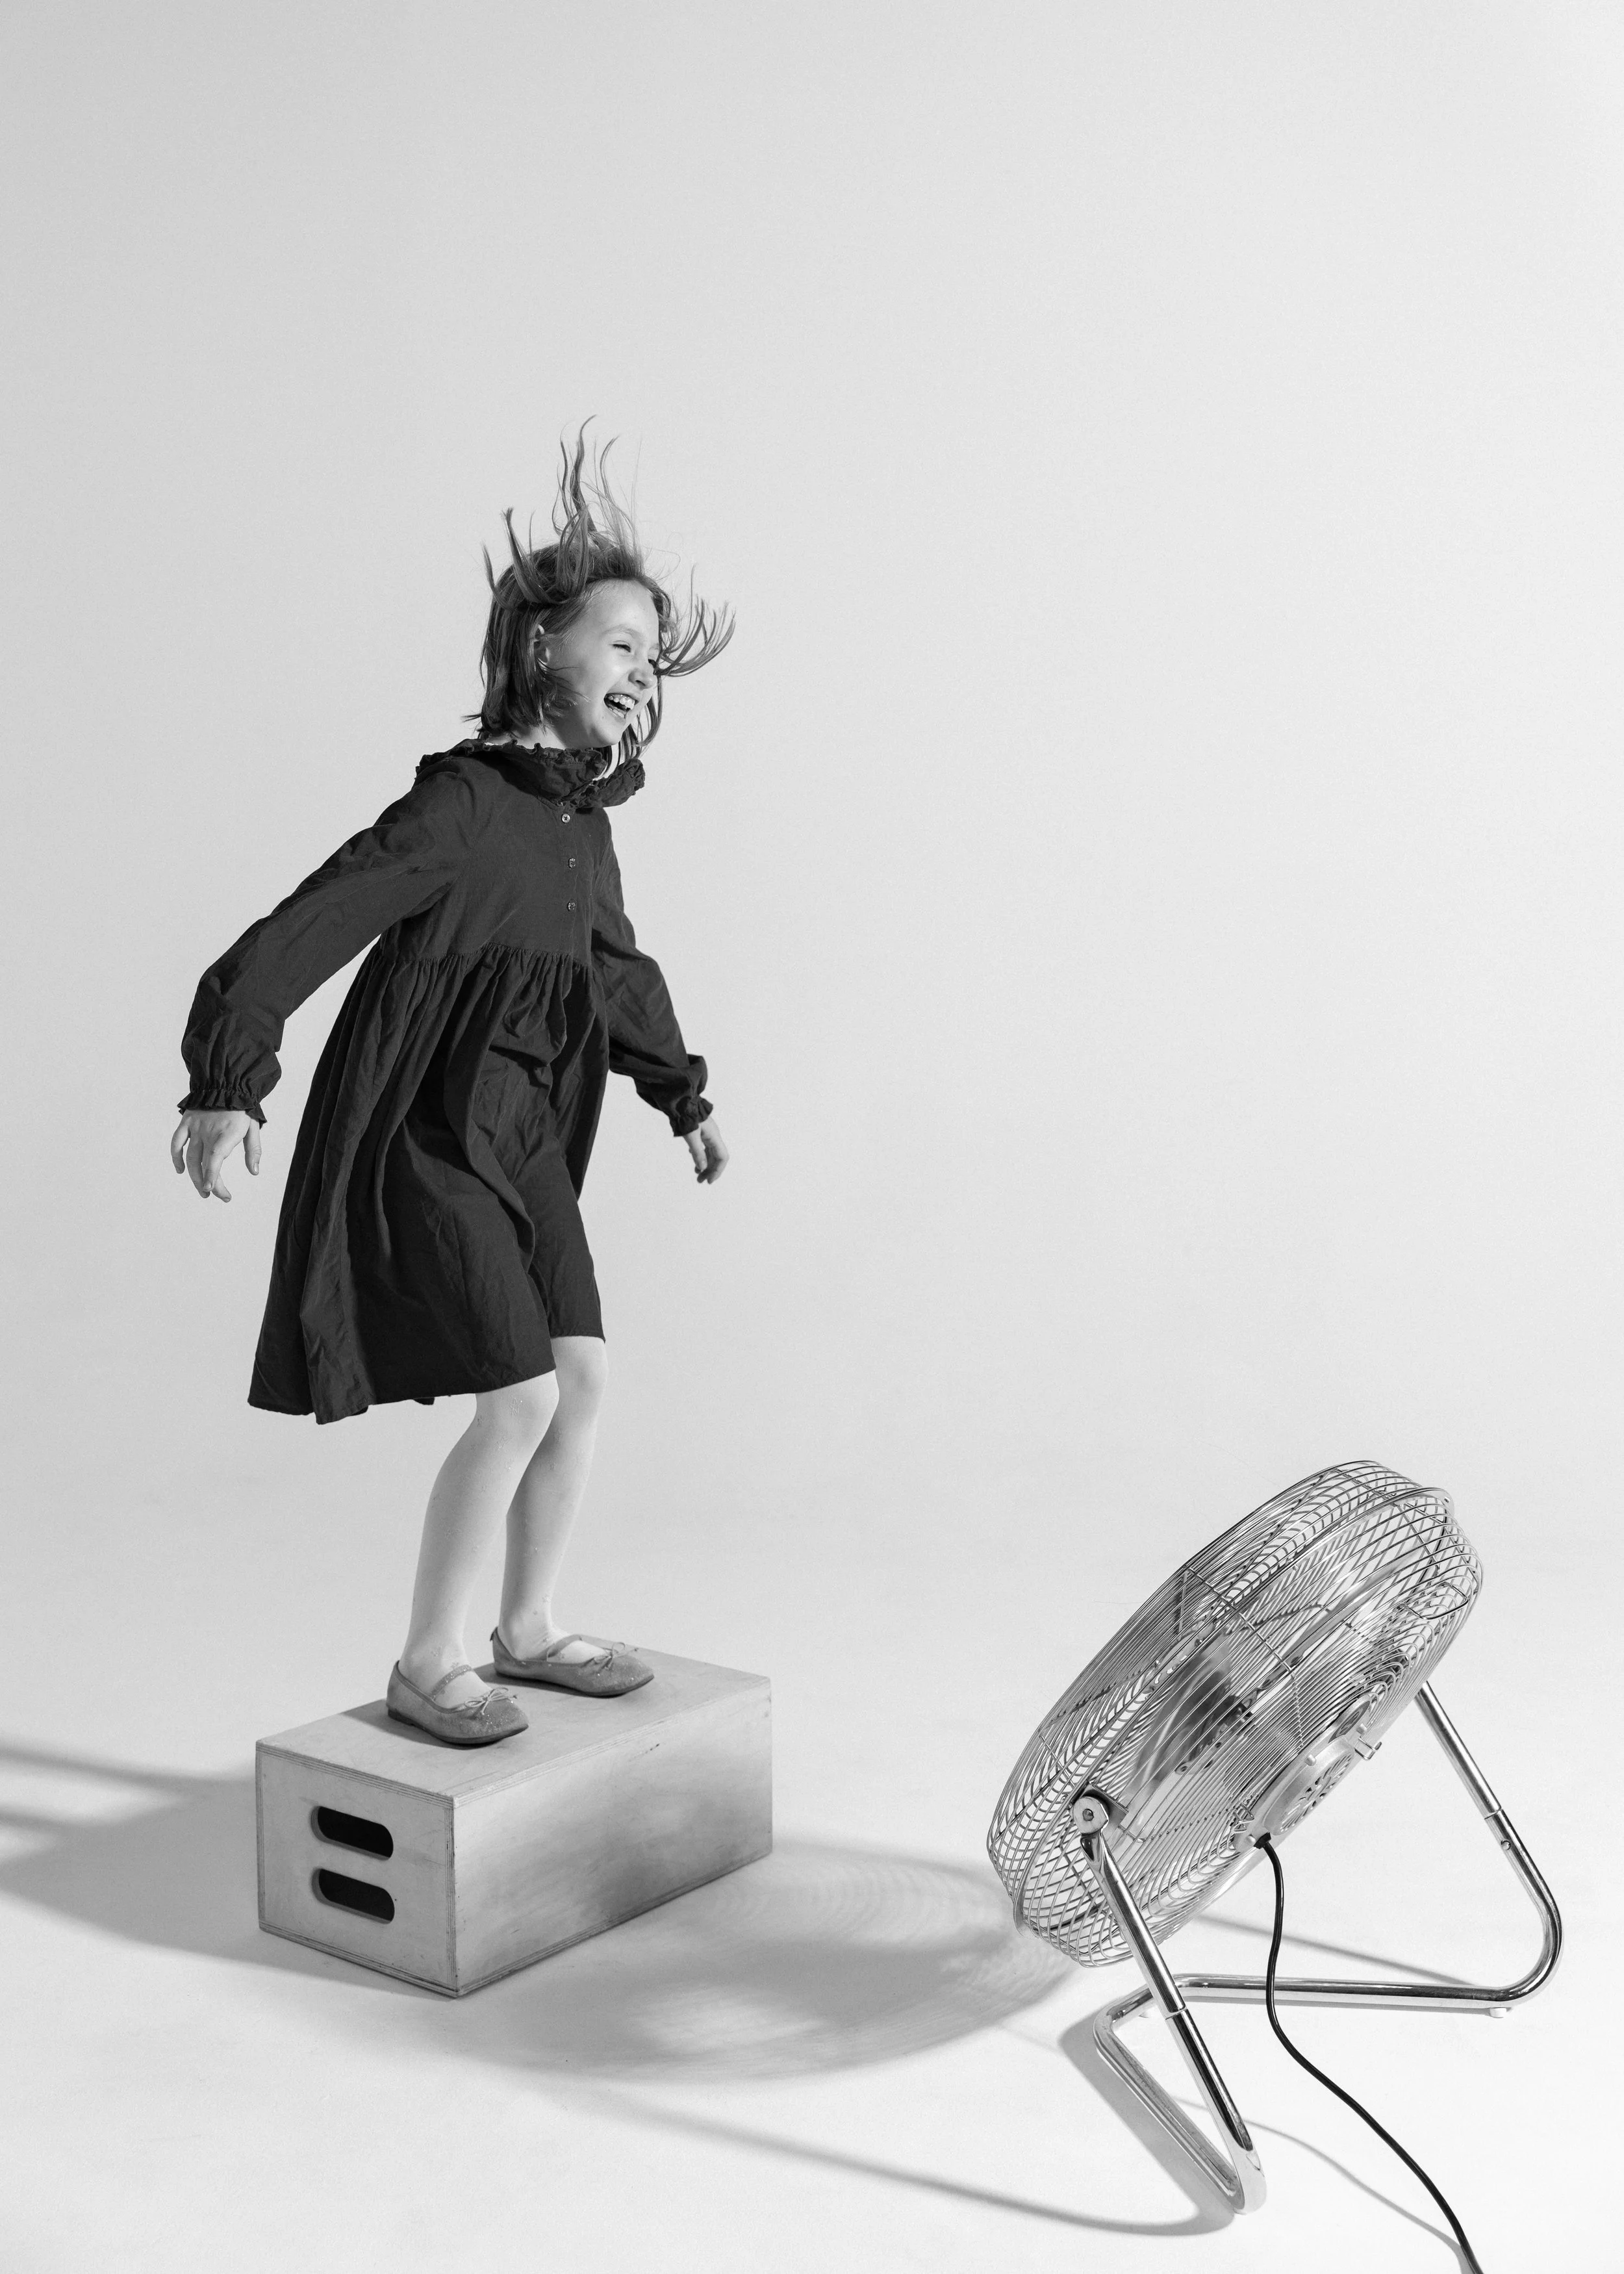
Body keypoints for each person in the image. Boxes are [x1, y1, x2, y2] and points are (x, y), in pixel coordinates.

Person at [171, 434, 733, 1746]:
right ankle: (427, 1662)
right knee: (520, 1394)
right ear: (543, 646)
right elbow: (315, 919)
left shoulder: (581, 825)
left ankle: (525, 1630)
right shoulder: (466, 805)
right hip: (431, 1134)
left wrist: (682, 1095)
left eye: (653, 657)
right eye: (621, 643)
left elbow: (614, 969)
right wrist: (226, 1079)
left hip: (527, 1142)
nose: (642, 672)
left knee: (580, 1378)